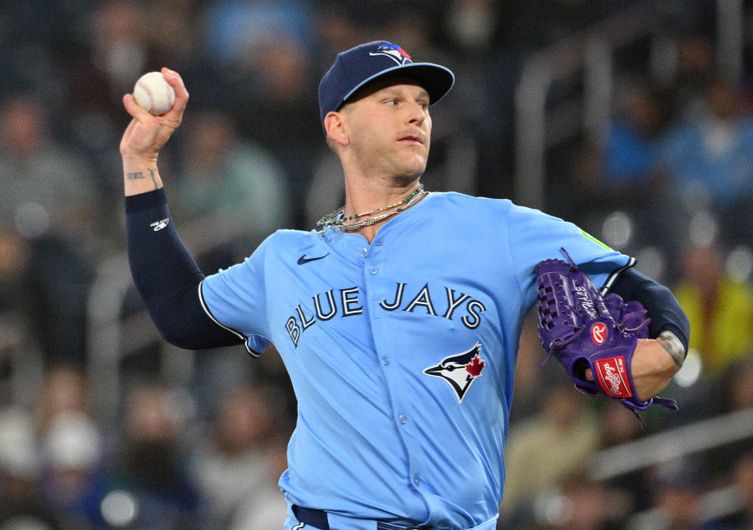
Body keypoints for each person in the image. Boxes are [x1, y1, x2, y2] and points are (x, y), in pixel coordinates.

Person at [119, 40, 689, 530]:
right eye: (391, 100)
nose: (415, 114)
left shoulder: (496, 229)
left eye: (421, 103)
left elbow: (633, 287)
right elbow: (179, 314)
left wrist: (668, 346)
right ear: (337, 125)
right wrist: (141, 165)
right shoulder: (286, 260)